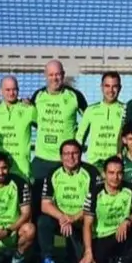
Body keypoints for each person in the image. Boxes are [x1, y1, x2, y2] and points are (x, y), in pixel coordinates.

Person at [78, 156, 132, 263]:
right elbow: (87, 225)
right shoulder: (94, 193)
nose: (115, 177)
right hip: (102, 238)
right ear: (104, 174)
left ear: (123, 174)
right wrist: (88, 252)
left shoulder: (130, 188)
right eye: (111, 173)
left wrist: (127, 220)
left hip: (123, 235)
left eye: (119, 173)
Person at [36, 140, 102, 263]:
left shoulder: (91, 172)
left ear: (80, 154)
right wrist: (62, 217)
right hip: (62, 220)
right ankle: (48, 259)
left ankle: (73, 254)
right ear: (61, 157)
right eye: (66, 154)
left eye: (74, 153)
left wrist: (74, 217)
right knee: (43, 221)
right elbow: (45, 205)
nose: (70, 157)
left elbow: (96, 205)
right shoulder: (53, 173)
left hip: (83, 220)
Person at [29, 60, 88, 201]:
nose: (54, 78)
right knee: (37, 202)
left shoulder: (75, 96)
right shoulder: (38, 96)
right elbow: (33, 121)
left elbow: (89, 119)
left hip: (66, 161)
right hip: (42, 159)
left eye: (58, 74)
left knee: (66, 200)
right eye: (51, 75)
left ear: (63, 75)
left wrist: (77, 143)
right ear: (45, 75)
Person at [0, 76, 37, 180]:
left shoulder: (29, 109)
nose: (11, 93)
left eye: (14, 89)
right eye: (8, 90)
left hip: (22, 169)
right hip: (0, 169)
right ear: (0, 91)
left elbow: (43, 127)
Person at [78, 72, 126, 167]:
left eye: (114, 86)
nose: (111, 90)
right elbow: (79, 137)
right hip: (94, 164)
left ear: (120, 88)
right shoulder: (91, 110)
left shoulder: (125, 110)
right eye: (107, 86)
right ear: (101, 87)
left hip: (116, 164)